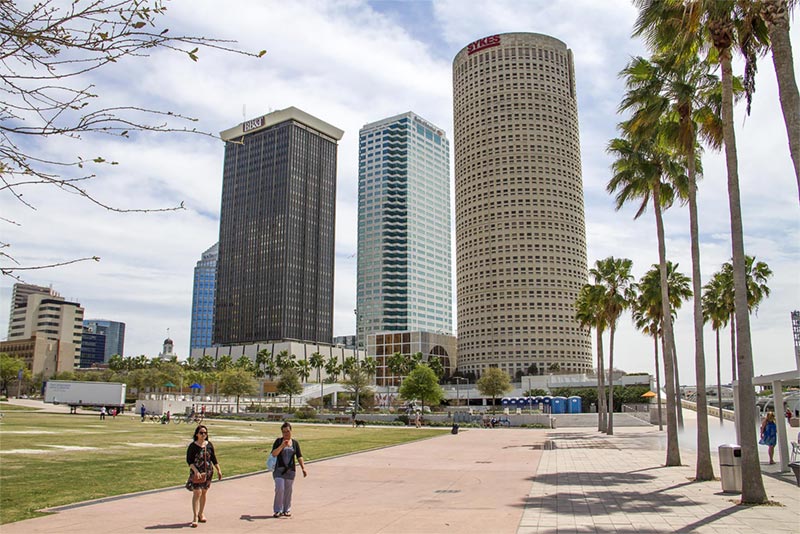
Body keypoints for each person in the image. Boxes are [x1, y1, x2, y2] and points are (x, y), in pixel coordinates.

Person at [186, 425, 222, 528]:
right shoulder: (193, 446)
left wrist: (219, 470)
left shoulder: (209, 445)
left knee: (204, 492)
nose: (203, 435)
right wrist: (196, 471)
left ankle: (201, 513)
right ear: (196, 434)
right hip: (196, 472)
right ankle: (195, 517)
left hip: (208, 472)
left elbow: (214, 459)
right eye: (201, 433)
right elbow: (189, 461)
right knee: (197, 493)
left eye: (205, 433)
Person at [270, 422, 308, 518]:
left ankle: (286, 509)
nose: (286, 434)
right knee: (280, 488)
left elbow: (299, 456)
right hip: (278, 470)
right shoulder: (278, 441)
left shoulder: (295, 443)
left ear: (291, 431)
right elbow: (274, 454)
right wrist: (282, 446)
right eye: (284, 432)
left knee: (288, 490)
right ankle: (277, 510)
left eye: (287, 431)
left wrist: (303, 468)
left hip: (290, 471)